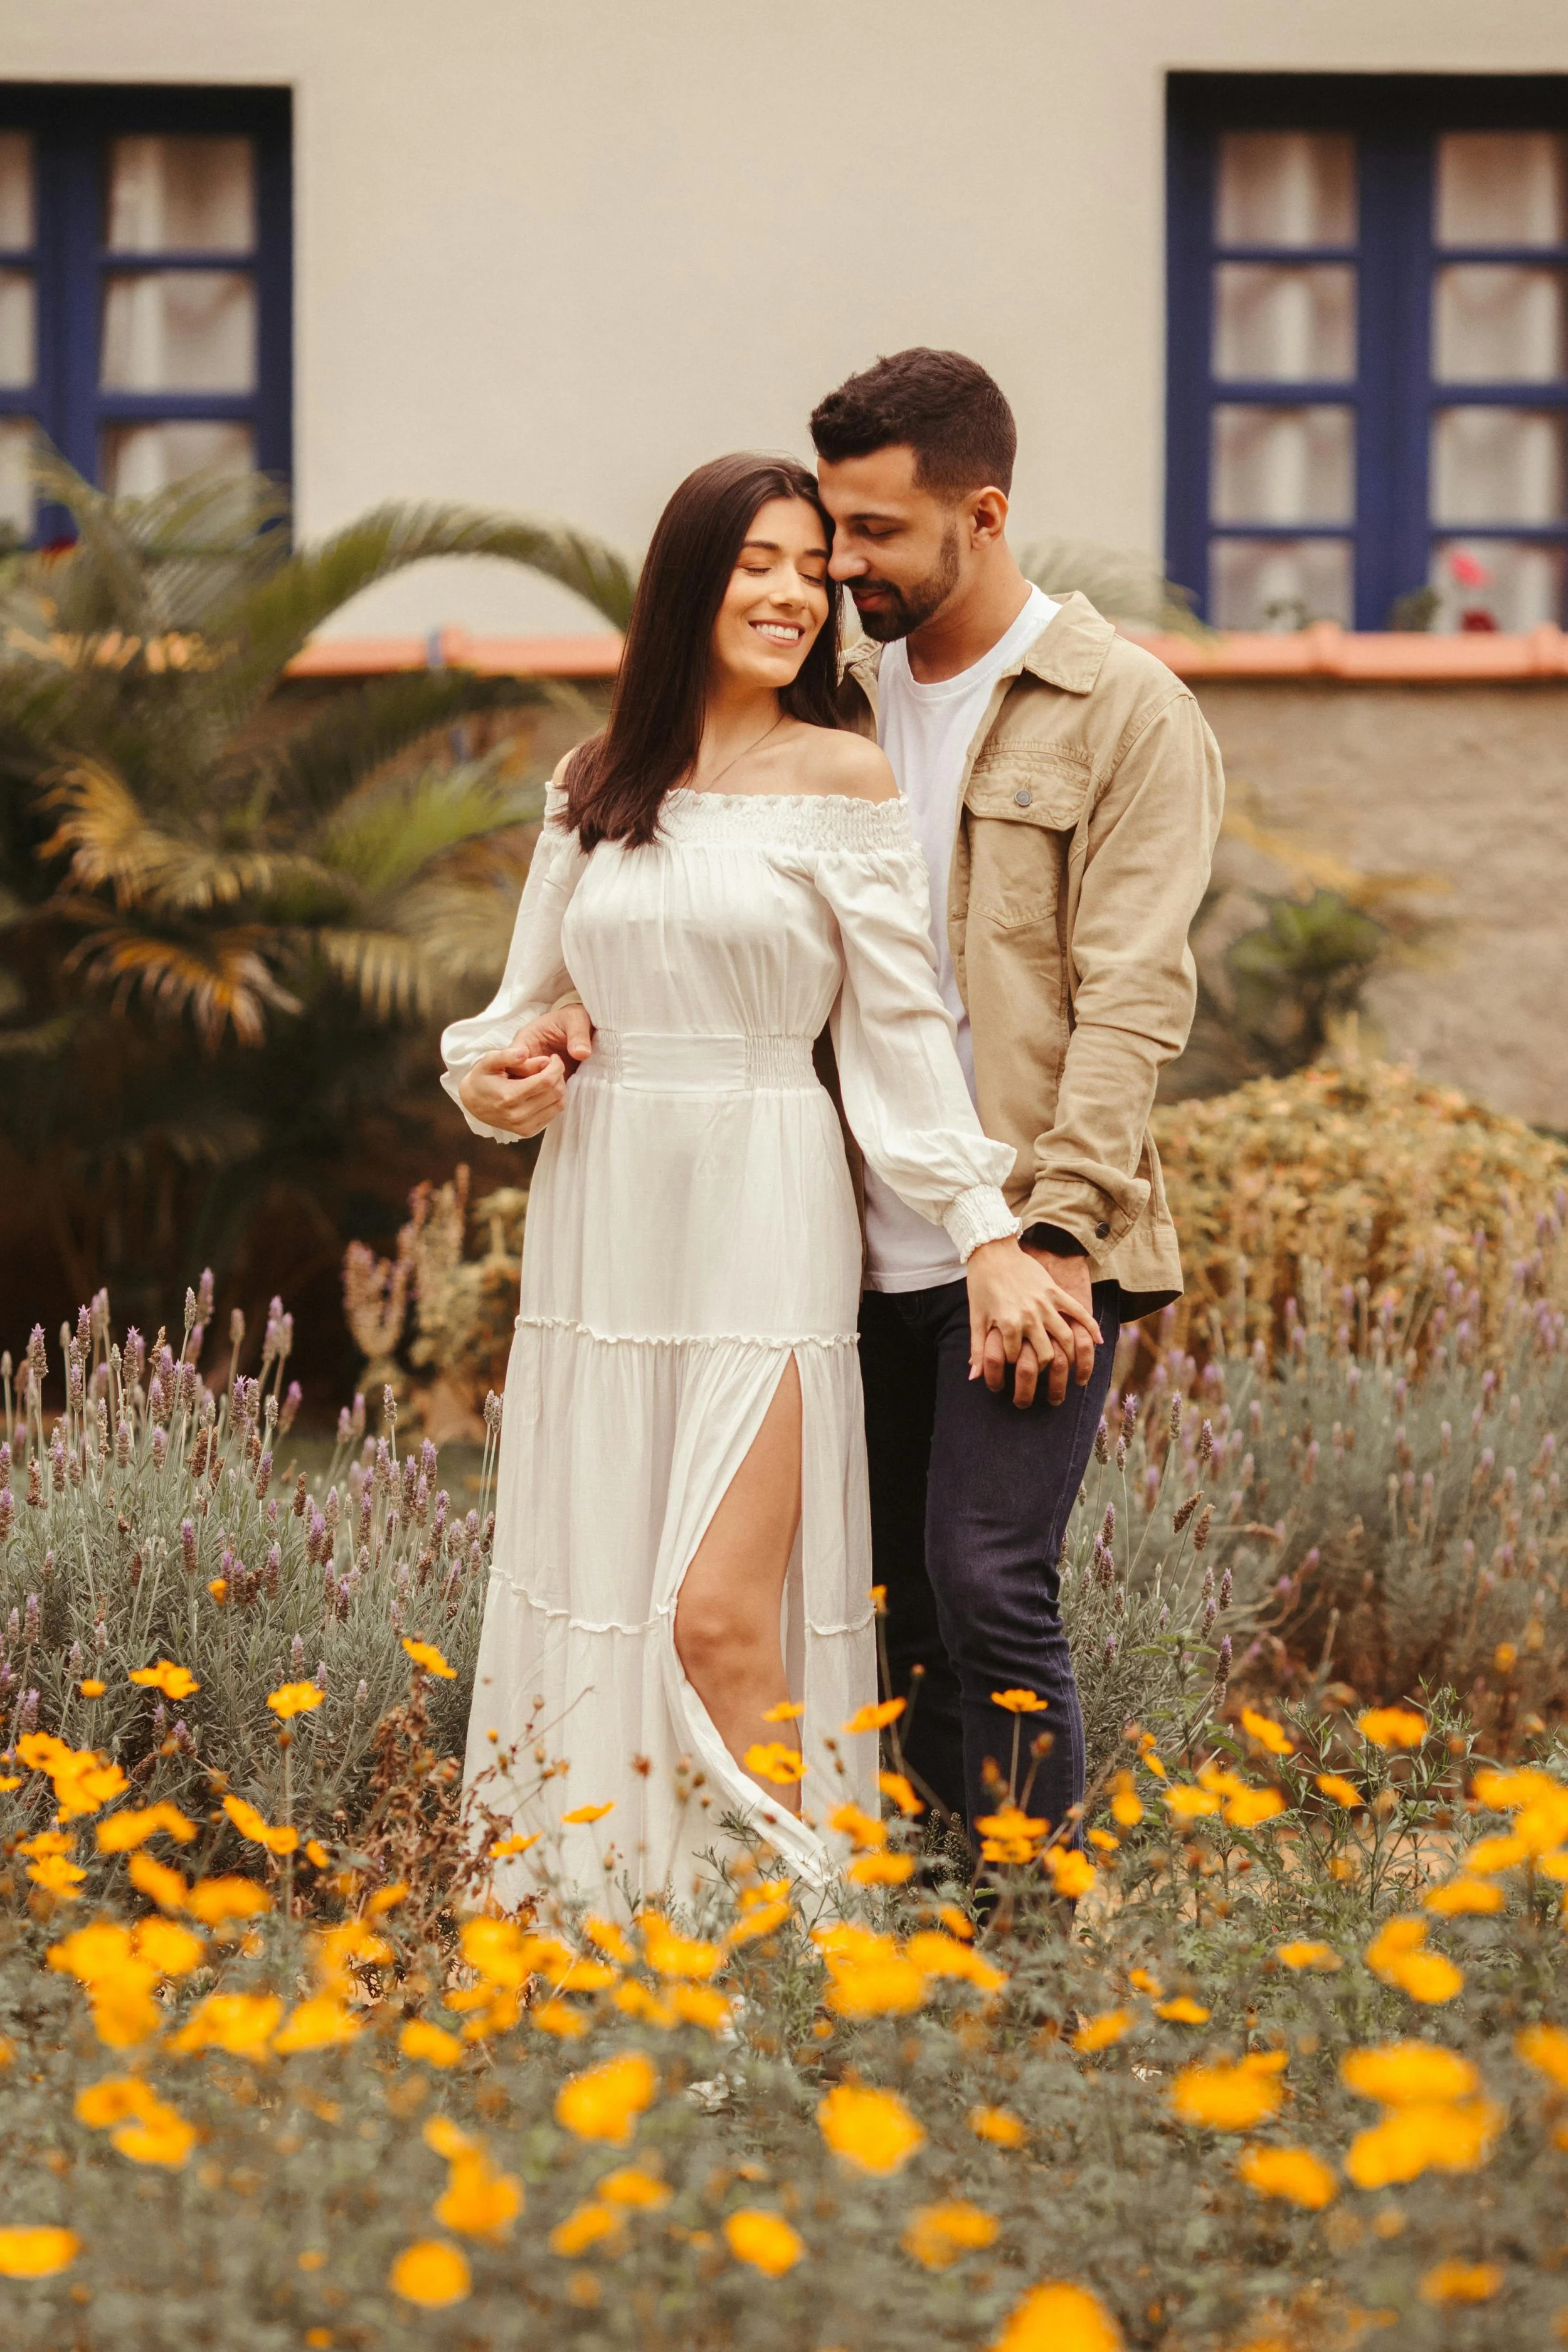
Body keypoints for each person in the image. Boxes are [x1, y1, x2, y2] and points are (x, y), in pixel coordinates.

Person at [440, 450, 1098, 1902]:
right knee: (603, 1589)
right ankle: (617, 1937)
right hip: (605, 1215)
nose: (798, 594)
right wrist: (501, 1080)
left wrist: (987, 1231)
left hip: (762, 1204)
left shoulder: (840, 780)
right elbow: (509, 1019)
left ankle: (825, 1946)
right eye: (760, 563)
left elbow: (901, 1043)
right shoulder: (592, 782)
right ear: (688, 579)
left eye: (814, 569)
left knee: (718, 1618)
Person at [810, 349, 1224, 1848]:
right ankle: (925, 1944)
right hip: (839, 1231)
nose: (842, 562)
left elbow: (1133, 995)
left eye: (878, 533)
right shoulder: (830, 699)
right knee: (883, 1602)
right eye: (833, 526)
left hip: (1033, 1235)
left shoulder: (1121, 712)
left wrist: (1054, 1236)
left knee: (986, 1580)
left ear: (980, 514)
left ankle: (1040, 1968)